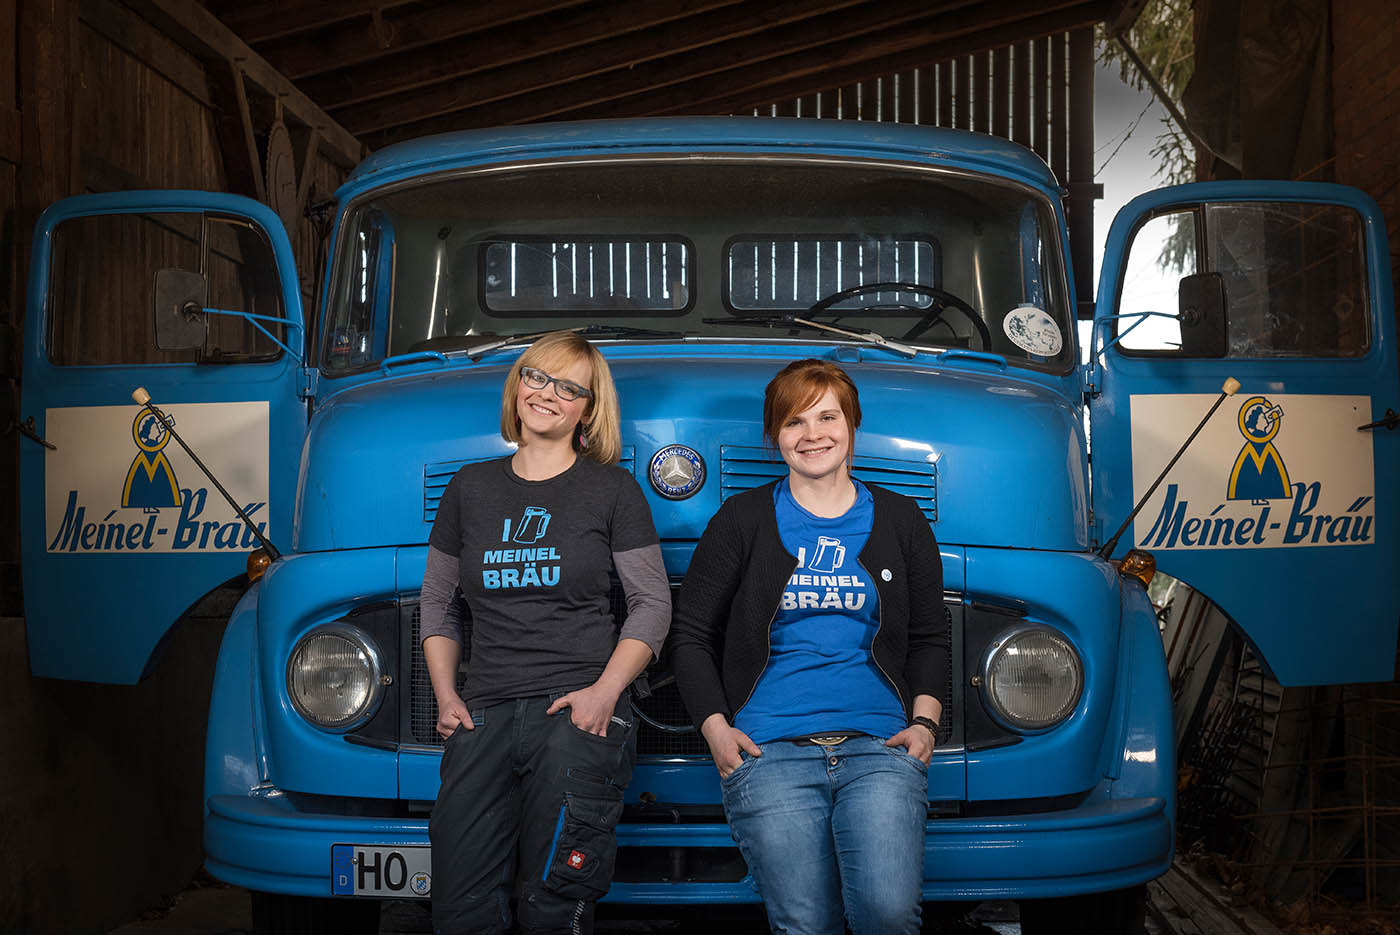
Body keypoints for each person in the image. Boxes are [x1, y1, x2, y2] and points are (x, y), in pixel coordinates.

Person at [671, 358, 948, 935]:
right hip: (770, 751)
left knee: (888, 915)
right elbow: (691, 635)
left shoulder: (899, 517)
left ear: (852, 425)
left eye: (828, 417)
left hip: (879, 746)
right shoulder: (742, 519)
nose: (813, 434)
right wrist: (716, 730)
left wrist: (924, 725)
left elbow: (929, 636)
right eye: (795, 422)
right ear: (775, 436)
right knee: (805, 924)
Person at [420, 331, 671, 935]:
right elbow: (438, 602)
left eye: (568, 387)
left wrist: (604, 694)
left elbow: (651, 603)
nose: (547, 394)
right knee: (458, 907)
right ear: (517, 385)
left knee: (555, 905)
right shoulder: (469, 489)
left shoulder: (611, 490)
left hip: (576, 714)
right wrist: (447, 697)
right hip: (483, 715)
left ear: (588, 408)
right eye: (536, 377)